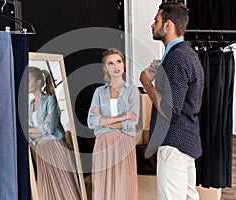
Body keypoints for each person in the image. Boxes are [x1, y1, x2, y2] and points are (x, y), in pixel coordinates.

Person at [139, 2, 204, 200]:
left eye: (156, 20)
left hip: (174, 143)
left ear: (167, 25)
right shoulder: (188, 55)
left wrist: (146, 83)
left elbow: (170, 109)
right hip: (187, 140)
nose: (152, 25)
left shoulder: (176, 59)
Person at [87, 48, 140, 200]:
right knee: (103, 187)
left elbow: (131, 124)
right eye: (110, 63)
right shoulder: (99, 92)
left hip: (124, 143)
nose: (116, 66)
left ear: (123, 65)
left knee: (123, 187)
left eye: (118, 61)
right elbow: (92, 122)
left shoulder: (132, 91)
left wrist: (104, 122)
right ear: (105, 68)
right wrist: (121, 117)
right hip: (102, 145)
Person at [28, 66, 81, 200]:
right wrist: (41, 129)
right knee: (49, 189)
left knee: (64, 186)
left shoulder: (50, 100)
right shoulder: (30, 106)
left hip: (55, 147)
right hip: (41, 150)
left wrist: (38, 130)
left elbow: (50, 128)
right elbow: (28, 132)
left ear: (39, 82)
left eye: (29, 80)